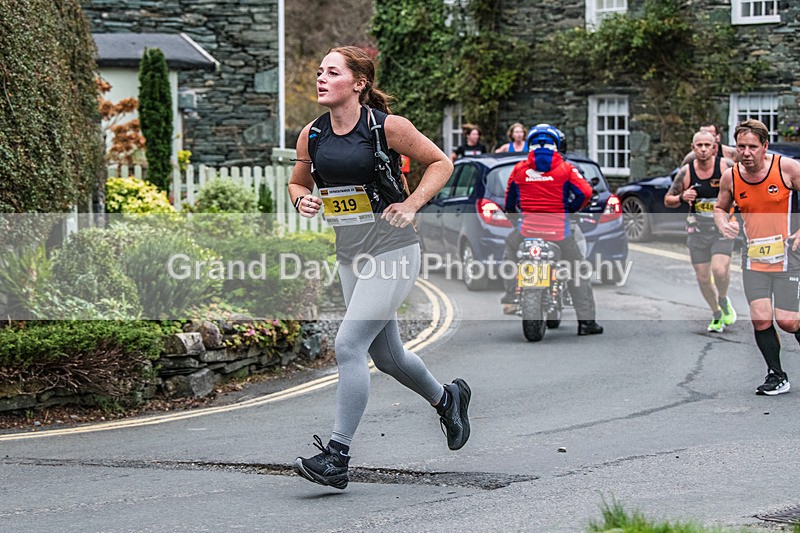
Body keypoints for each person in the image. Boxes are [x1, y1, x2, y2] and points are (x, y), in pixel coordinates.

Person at [287, 46, 471, 490]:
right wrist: (301, 199)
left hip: (393, 249)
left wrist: (411, 204)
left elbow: (441, 162)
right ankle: (448, 399)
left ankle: (337, 455)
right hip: (351, 254)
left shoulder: (387, 127)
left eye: (333, 72)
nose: (321, 78)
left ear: (359, 83)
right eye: (319, 72)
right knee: (386, 357)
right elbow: (297, 181)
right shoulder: (311, 135)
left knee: (349, 345)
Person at [714, 119, 800, 396]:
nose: (747, 152)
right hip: (754, 258)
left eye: (753, 146)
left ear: (765, 146)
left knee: (788, 322)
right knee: (761, 319)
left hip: (788, 257)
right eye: (741, 146)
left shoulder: (786, 168)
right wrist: (723, 223)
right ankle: (776, 375)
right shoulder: (731, 176)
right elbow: (719, 207)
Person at [499, 123, 604, 336]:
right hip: (560, 232)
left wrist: (516, 220)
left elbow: (509, 203)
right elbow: (585, 192)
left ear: (530, 145)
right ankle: (586, 323)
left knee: (510, 249)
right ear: (556, 145)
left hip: (527, 231)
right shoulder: (565, 168)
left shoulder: (520, 169)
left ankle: (511, 294)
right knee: (577, 271)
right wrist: (571, 209)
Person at [665, 130, 736, 332]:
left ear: (715, 147)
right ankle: (716, 314)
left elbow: (744, 192)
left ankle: (723, 299)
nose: (703, 149)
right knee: (703, 279)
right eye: (699, 145)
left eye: (707, 145)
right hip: (697, 231)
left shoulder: (726, 167)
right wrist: (682, 197)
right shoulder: (686, 173)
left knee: (720, 270)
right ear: (693, 148)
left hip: (721, 229)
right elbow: (668, 200)